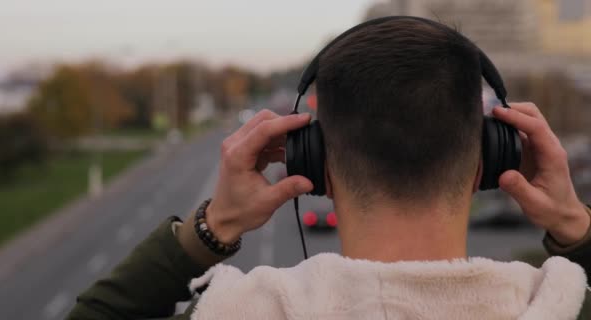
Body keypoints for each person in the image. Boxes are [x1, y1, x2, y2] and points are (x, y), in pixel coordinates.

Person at [67, 18, 591, 319]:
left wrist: (212, 228)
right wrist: (574, 224)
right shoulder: (561, 305)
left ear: (315, 164)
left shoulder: (235, 312)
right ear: (490, 163)